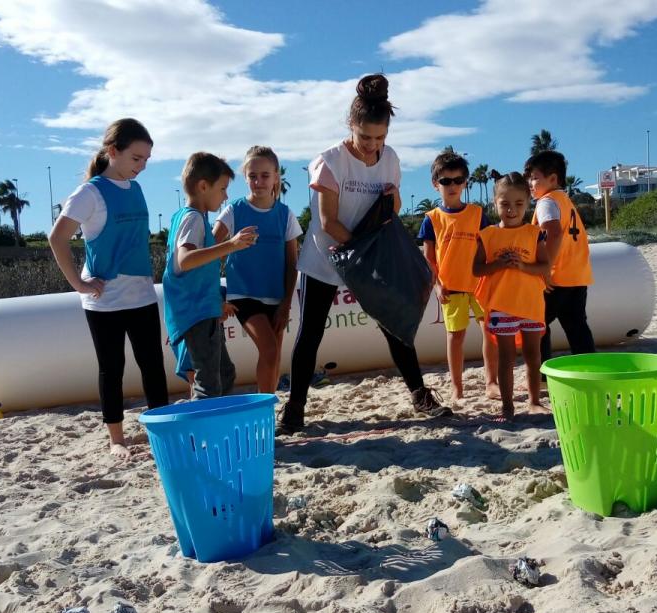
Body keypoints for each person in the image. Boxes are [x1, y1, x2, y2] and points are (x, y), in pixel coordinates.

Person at [280, 73, 451, 434]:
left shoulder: (389, 158)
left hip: (370, 257)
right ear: (350, 125)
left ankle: (420, 395)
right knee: (310, 334)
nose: (373, 145)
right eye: (365, 137)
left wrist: (392, 199)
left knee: (395, 326)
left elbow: (394, 206)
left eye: (380, 137)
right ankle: (294, 410)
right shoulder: (329, 161)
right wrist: (362, 253)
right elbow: (327, 222)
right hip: (326, 259)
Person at [48, 118, 167, 461]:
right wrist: (79, 285)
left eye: (146, 160)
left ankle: (161, 431)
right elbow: (57, 239)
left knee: (153, 365)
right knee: (111, 368)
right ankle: (116, 438)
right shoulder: (90, 192)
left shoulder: (137, 189)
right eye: (136, 158)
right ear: (113, 152)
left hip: (142, 294)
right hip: (104, 301)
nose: (141, 166)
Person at [163, 152, 257, 399]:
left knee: (224, 373)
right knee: (208, 381)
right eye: (223, 188)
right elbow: (185, 261)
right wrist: (231, 245)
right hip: (196, 313)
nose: (226, 196)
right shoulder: (192, 218)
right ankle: (201, 436)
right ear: (203, 186)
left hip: (203, 310)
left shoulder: (190, 218)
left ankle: (215, 429)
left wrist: (217, 303)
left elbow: (199, 275)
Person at [214, 146, 301, 393]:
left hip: (276, 297)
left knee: (273, 357)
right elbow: (208, 253)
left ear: (276, 177)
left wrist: (285, 304)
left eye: (265, 175)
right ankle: (263, 410)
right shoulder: (234, 210)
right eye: (252, 176)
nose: (258, 181)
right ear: (245, 177)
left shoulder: (285, 215)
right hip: (244, 295)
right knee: (270, 350)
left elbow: (292, 264)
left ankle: (268, 415)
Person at [419, 150, 499, 403]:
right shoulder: (431, 219)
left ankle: (491, 382)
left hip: (480, 284)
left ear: (465, 182)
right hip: (451, 288)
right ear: (436, 184)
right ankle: (456, 387)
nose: (452, 186)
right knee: (455, 337)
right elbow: (429, 259)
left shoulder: (477, 213)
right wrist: (437, 286)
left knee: (490, 331)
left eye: (457, 180)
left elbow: (489, 248)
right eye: (445, 181)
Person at [473, 171, 550, 419]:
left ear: (528, 203)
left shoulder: (534, 233)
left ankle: (535, 400)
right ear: (495, 203)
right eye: (504, 204)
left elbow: (544, 267)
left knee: (532, 354)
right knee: (506, 356)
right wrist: (499, 264)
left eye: (518, 204)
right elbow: (477, 269)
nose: (511, 210)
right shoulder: (487, 235)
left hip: (530, 302)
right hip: (502, 304)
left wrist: (522, 267)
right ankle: (508, 406)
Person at [525, 150, 595, 358]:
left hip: (555, 277)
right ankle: (590, 369)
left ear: (553, 178)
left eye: (535, 178)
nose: (530, 183)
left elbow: (553, 232)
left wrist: (545, 269)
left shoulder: (546, 201)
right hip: (578, 277)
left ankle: (542, 376)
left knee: (537, 324)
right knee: (577, 327)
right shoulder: (566, 200)